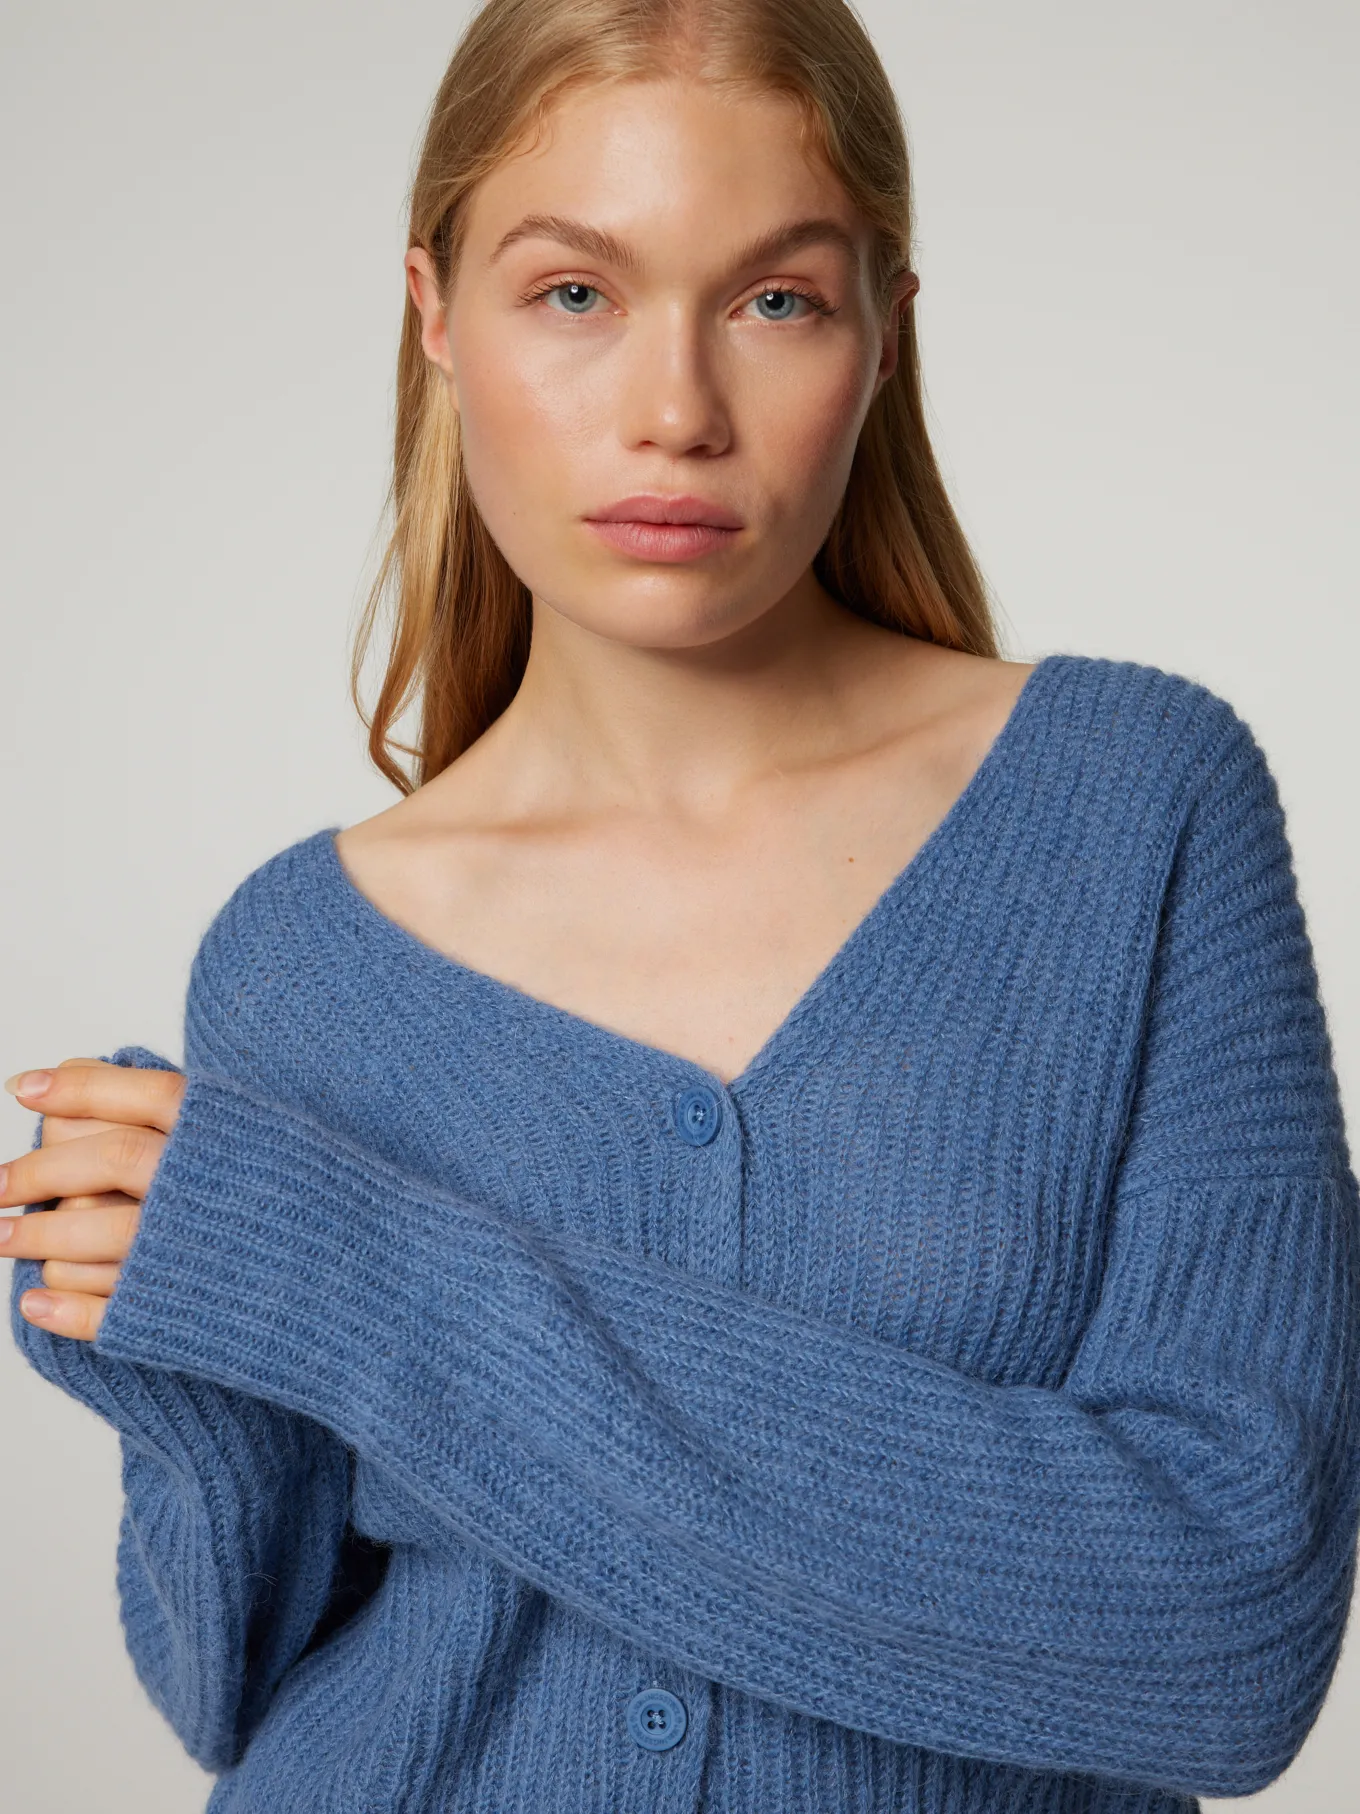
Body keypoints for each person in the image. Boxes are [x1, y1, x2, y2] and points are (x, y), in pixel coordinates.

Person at [4, 1, 1358, 1810]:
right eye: (574, 292)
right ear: (434, 313)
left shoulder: (1135, 808)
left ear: (885, 331)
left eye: (774, 300)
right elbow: (230, 1680)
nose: (675, 412)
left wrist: (353, 1280)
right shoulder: (302, 962)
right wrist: (169, 1355)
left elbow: (1227, 1635)